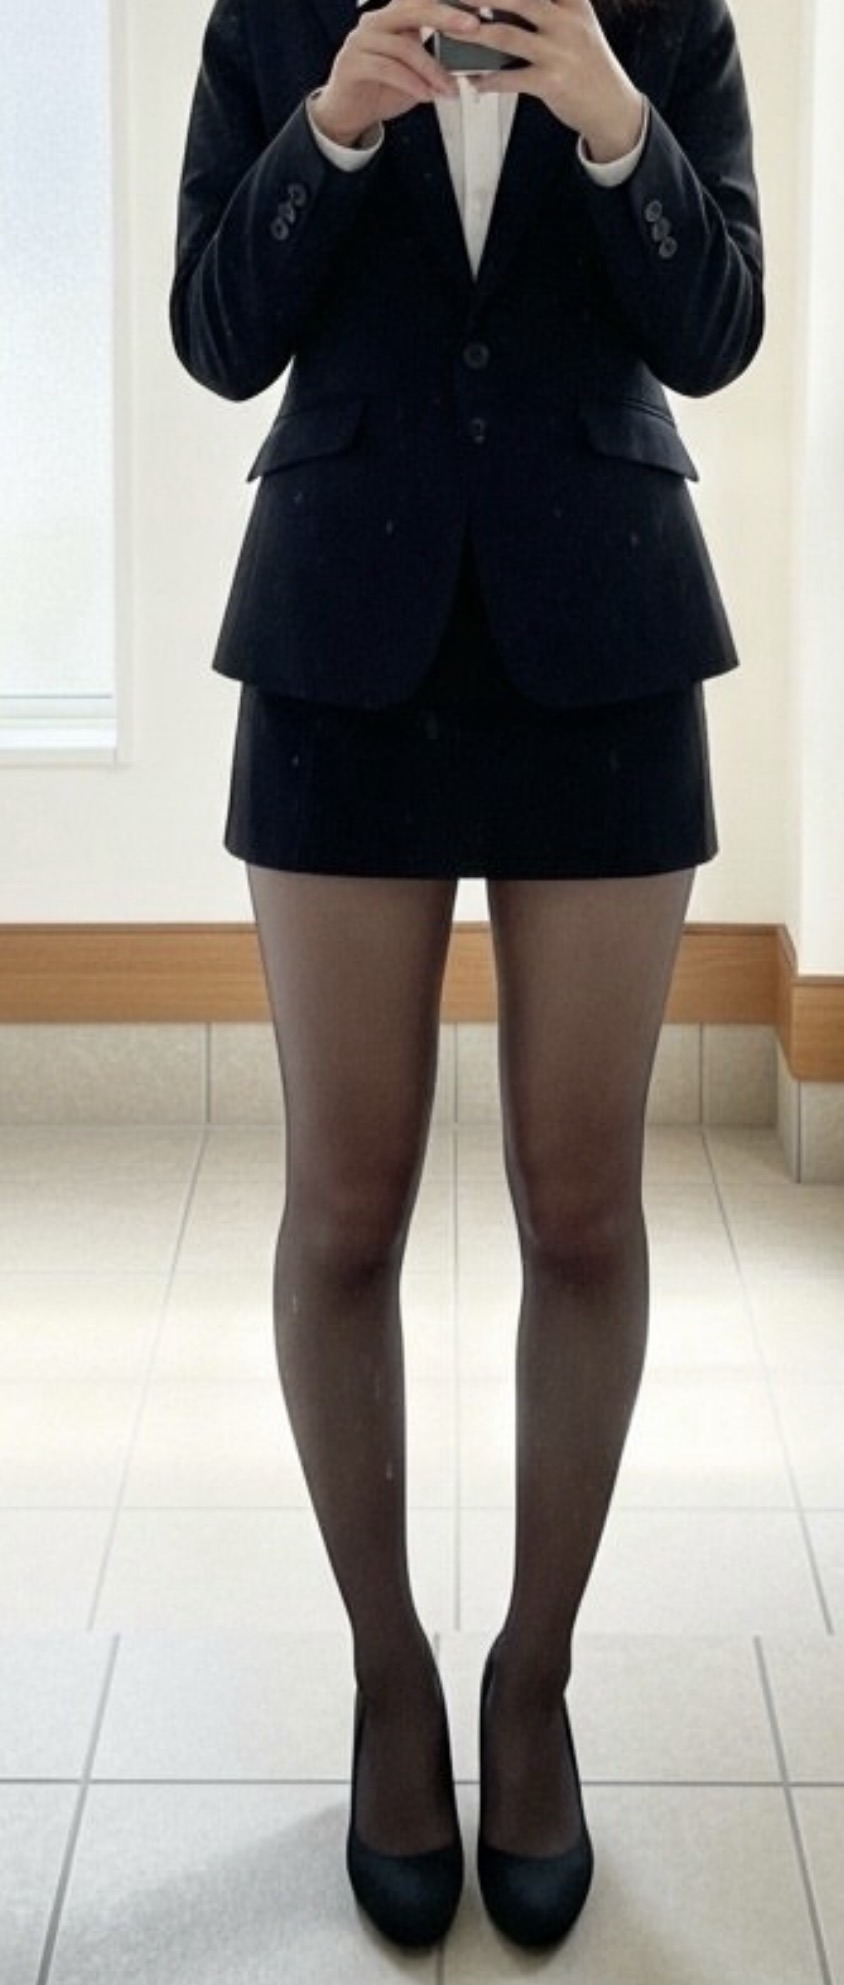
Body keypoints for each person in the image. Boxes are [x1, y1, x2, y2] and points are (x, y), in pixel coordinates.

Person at [171, 0, 763, 1950]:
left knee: (581, 1207)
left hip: (605, 633)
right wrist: (330, 129)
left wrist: (615, 121)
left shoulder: (663, 23)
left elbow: (718, 330)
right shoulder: (276, 19)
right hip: (340, 633)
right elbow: (214, 334)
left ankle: (531, 1681)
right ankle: (387, 1680)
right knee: (344, 1206)